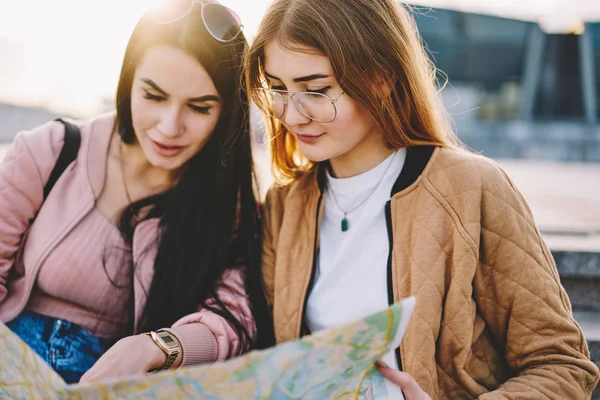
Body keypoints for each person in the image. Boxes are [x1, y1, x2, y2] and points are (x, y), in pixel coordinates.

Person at [247, 0, 600, 398]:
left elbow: (561, 365)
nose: (291, 116)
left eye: (316, 90)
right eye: (276, 88)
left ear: (382, 78)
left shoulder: (471, 188)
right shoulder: (285, 204)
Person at [0, 0, 273, 383]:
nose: (169, 125)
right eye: (154, 96)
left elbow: (234, 316)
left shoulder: (231, 207)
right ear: (129, 82)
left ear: (226, 113)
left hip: (109, 385)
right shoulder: (51, 151)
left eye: (198, 107)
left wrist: (160, 347)